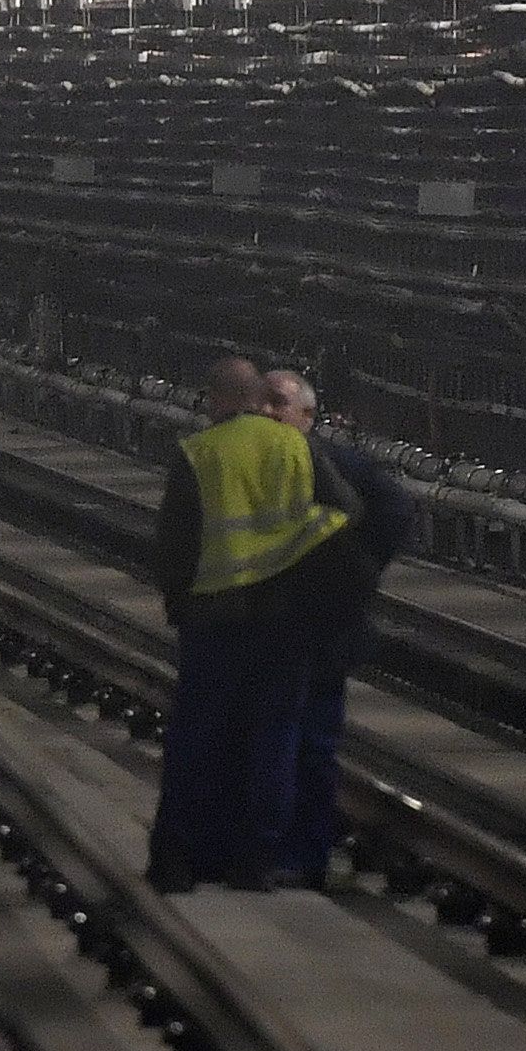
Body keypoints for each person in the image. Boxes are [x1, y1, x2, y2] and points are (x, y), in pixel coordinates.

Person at [146, 353, 365, 891]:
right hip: (284, 620)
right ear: (257, 398)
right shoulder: (295, 445)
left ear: (218, 399)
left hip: (213, 620)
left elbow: (174, 545)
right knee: (274, 738)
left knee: (197, 736)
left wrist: (179, 604)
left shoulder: (198, 452)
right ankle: (256, 861)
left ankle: (178, 860)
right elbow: (348, 512)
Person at [260, 366, 400, 887]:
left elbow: (394, 508)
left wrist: (357, 575)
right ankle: (271, 847)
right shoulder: (254, 461)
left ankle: (302, 855)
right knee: (272, 740)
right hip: (269, 626)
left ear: (309, 416)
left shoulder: (337, 464)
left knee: (311, 745)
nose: (270, 413)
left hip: (319, 630)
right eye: (264, 403)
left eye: (281, 404)